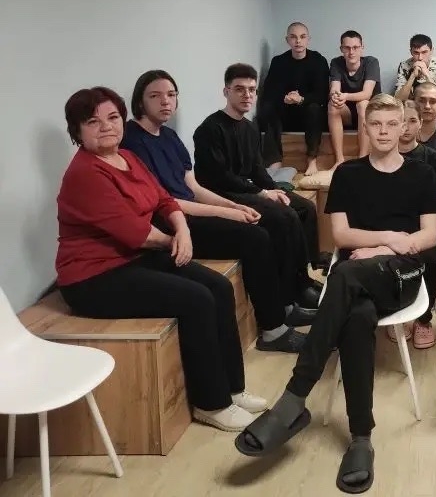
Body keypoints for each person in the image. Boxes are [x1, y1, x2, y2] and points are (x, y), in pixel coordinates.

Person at [234, 94, 436, 494]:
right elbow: (342, 236)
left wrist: (381, 249)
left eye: (392, 124)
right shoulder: (348, 174)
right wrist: (389, 236)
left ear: (403, 127)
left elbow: (430, 236)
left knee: (345, 275)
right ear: (365, 128)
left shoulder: (422, 173)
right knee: (358, 315)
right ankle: (362, 437)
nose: (384, 131)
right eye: (376, 124)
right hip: (356, 275)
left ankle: (294, 397)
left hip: (402, 274)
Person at [56, 86, 266, 433]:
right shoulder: (85, 173)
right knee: (196, 299)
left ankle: (233, 388)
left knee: (218, 286)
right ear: (77, 130)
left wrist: (183, 230)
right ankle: (211, 404)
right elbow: (137, 233)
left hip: (133, 258)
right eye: (93, 122)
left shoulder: (128, 157)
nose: (106, 126)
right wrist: (175, 241)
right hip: (93, 278)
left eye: (112, 117)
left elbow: (164, 200)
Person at [123, 70, 314, 352]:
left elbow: (193, 187)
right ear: (140, 101)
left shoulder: (169, 136)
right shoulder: (131, 142)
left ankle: (286, 305)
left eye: (171, 95)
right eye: (155, 96)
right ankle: (273, 330)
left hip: (189, 210)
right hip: (168, 223)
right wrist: (227, 213)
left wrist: (233, 206)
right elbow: (165, 201)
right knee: (256, 238)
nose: (165, 101)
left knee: (268, 222)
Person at [193, 63, 327, 280]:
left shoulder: (250, 127)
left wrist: (275, 190)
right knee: (285, 216)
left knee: (305, 207)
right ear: (226, 91)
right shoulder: (210, 129)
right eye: (239, 89)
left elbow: (257, 169)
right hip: (222, 194)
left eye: (251, 90)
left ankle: (308, 268)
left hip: (245, 189)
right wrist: (263, 193)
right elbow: (220, 177)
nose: (247, 95)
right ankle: (293, 284)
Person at [397, 100, 436, 349]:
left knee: (430, 263)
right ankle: (400, 312)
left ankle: (423, 319)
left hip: (425, 225)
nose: (406, 127)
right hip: (391, 226)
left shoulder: (431, 157)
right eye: (401, 121)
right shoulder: (383, 156)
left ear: (420, 124)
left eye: (412, 121)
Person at [257, 22, 330, 176]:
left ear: (308, 39)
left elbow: (322, 94)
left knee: (315, 108)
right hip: (285, 114)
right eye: (293, 37)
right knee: (268, 108)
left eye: (302, 37)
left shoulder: (318, 60)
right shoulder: (278, 61)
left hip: (309, 115)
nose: (298, 41)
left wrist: (301, 99)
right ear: (287, 40)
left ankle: (311, 159)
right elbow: (268, 92)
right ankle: (274, 162)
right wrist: (285, 98)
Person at [329, 30, 381, 166]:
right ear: (341, 49)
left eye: (355, 47)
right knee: (332, 104)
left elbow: (367, 94)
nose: (351, 52)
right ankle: (339, 160)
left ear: (362, 48)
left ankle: (362, 159)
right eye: (347, 48)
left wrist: (345, 96)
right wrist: (335, 96)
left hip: (369, 114)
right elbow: (334, 88)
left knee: (362, 104)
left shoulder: (371, 62)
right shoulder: (336, 62)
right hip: (347, 114)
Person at [394, 33, 436, 101]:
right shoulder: (404, 66)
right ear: (411, 52)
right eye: (416, 53)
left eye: (424, 52)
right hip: (412, 104)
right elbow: (398, 99)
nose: (420, 58)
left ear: (431, 51)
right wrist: (412, 76)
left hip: (434, 104)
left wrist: (427, 75)